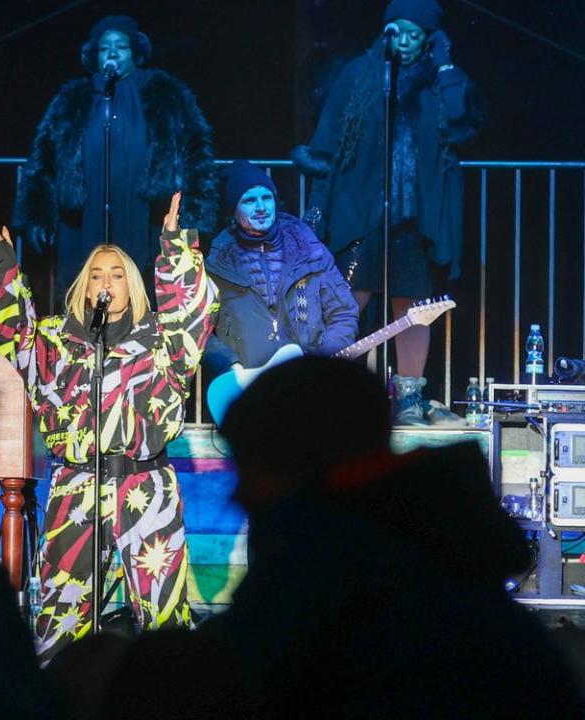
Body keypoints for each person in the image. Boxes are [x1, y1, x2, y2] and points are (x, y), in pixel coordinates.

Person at [201, 356, 585, 717]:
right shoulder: (496, 625)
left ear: (303, 469)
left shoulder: (304, 628)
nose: (239, 496)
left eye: (252, 470)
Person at [0, 192, 219, 662]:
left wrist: (173, 245)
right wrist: (4, 263)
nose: (105, 281)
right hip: (75, 485)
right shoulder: (57, 343)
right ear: (85, 288)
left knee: (161, 610)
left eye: (116, 274)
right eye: (95, 274)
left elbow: (193, 311)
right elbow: (11, 333)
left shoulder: (161, 343)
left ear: (131, 284)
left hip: (144, 484)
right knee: (63, 612)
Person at [293, 0, 482, 423]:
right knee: (345, 301)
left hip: (414, 217)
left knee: (411, 307)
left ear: (430, 38)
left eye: (416, 33)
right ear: (385, 33)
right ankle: (322, 391)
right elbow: (326, 144)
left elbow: (461, 121)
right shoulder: (362, 75)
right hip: (362, 211)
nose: (406, 41)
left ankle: (410, 400)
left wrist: (447, 66)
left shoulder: (440, 80)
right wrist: (318, 209)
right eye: (398, 31)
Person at [13, 15, 218, 305]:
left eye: (120, 46)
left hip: (145, 213)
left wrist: (194, 216)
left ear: (134, 51)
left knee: (141, 286)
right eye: (103, 47)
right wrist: (38, 214)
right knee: (83, 286)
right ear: (93, 55)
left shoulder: (164, 95)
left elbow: (197, 155)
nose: (111, 52)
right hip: (83, 217)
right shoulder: (74, 99)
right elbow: (42, 160)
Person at [203, 160, 358, 382]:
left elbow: (343, 313)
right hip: (248, 388)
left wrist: (322, 360)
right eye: (248, 200)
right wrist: (230, 365)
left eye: (266, 198)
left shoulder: (310, 251)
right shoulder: (217, 264)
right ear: (233, 211)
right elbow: (201, 331)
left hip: (309, 383)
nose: (260, 207)